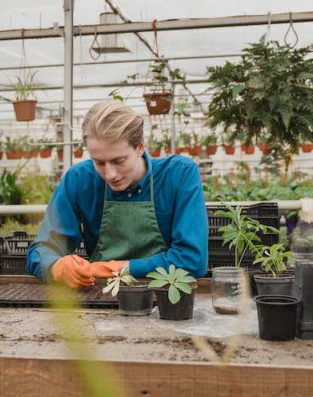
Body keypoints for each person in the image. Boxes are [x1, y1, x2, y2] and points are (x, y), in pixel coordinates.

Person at [27, 100, 207, 287]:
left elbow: (192, 260)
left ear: (139, 146)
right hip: (99, 297)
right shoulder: (80, 179)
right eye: (99, 162)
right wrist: (57, 266)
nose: (110, 174)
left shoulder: (179, 175)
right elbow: (42, 249)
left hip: (165, 299)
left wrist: (112, 269)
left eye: (119, 160)